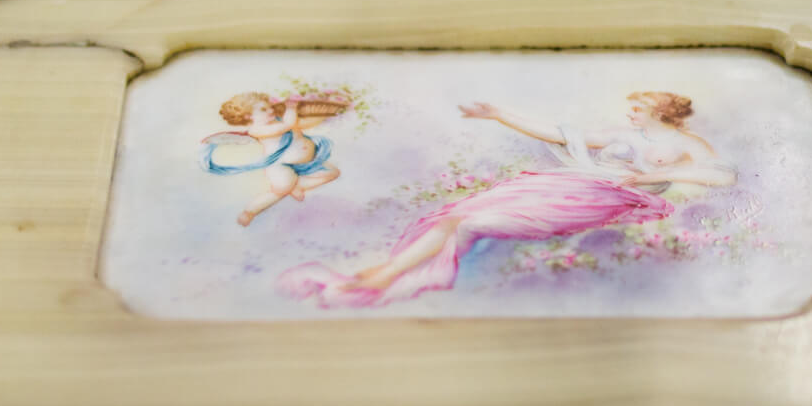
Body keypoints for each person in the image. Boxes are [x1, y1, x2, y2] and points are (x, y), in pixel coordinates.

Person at [278, 91, 735, 306]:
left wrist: (659, 174)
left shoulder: (688, 144)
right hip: (569, 183)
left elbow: (721, 174)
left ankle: (390, 277)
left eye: (638, 107)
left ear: (660, 111)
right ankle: (385, 274)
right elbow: (555, 132)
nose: (630, 112)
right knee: (457, 215)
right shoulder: (621, 134)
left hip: (607, 197)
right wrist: (500, 114)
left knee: (474, 223)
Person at [202, 92, 343, 225]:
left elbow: (299, 124)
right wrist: (291, 107)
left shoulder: (279, 119)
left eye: (270, 107)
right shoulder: (257, 130)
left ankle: (298, 186)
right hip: (281, 167)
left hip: (306, 163)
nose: (270, 111)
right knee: (279, 190)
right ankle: (250, 211)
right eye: (264, 109)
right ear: (248, 116)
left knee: (333, 173)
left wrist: (322, 115)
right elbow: (287, 125)